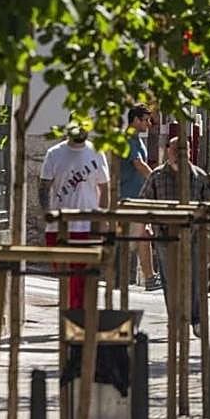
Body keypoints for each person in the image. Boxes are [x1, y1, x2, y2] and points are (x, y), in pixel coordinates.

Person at [140, 137, 209, 334]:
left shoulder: (199, 177)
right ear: (167, 151)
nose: (179, 154)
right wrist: (145, 225)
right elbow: (144, 201)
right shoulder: (157, 176)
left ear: (189, 151)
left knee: (194, 278)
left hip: (193, 236)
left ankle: (195, 318)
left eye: (183, 150)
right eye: (175, 150)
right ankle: (175, 318)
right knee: (169, 280)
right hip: (164, 238)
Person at [39, 121, 109, 310]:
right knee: (65, 276)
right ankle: (74, 314)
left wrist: (102, 220)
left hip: (87, 226)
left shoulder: (96, 152)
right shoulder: (54, 154)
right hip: (59, 227)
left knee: (83, 276)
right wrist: (47, 213)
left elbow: (104, 187)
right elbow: (44, 187)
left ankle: (78, 316)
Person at [119, 105, 158, 290]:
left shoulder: (137, 140)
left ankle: (147, 278)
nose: (148, 124)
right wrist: (156, 180)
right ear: (135, 120)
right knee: (141, 236)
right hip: (128, 198)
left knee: (142, 235)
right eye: (145, 120)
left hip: (137, 198)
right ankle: (147, 278)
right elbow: (139, 164)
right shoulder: (128, 140)